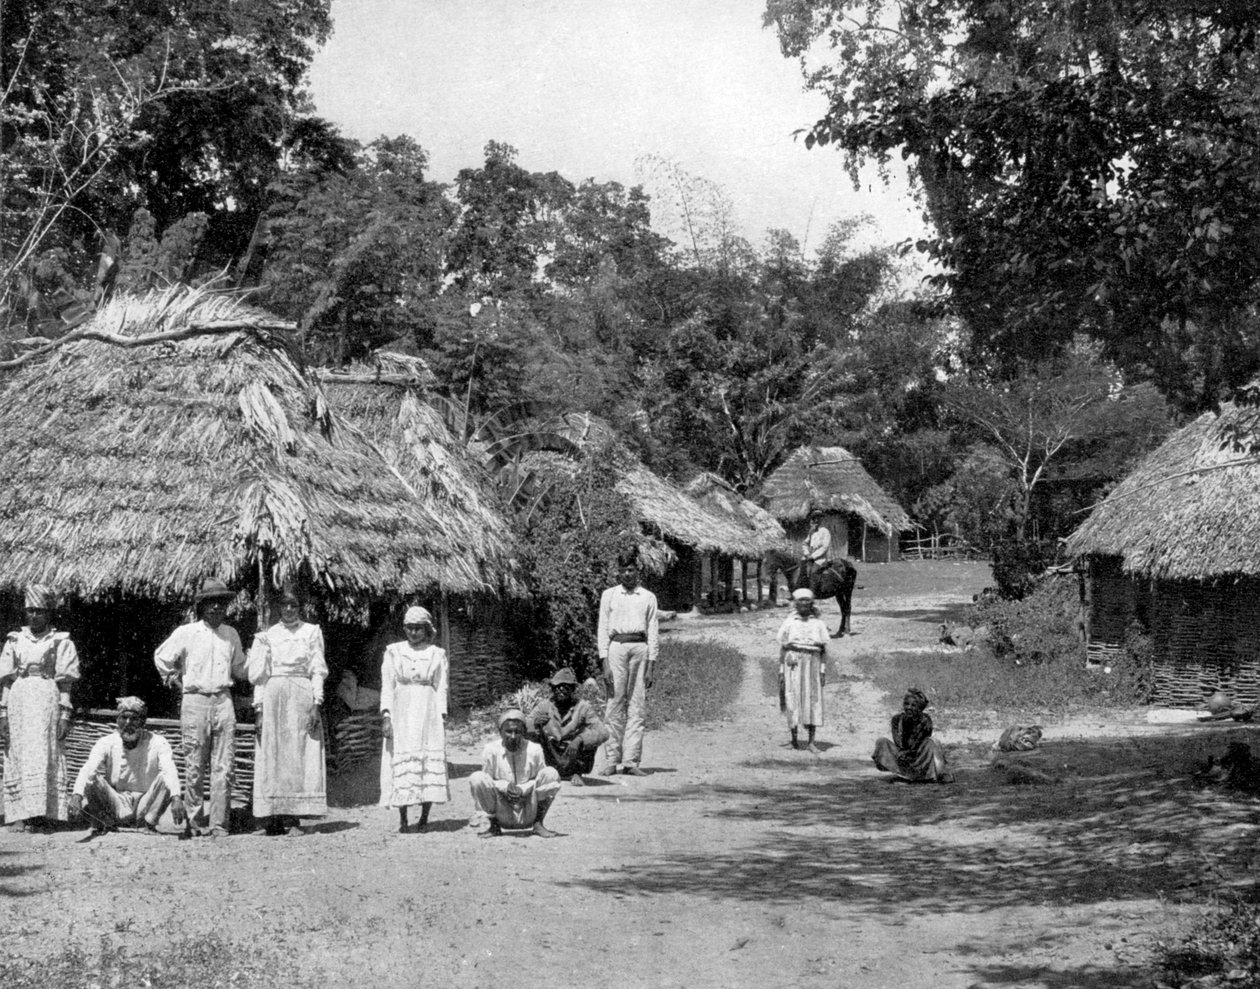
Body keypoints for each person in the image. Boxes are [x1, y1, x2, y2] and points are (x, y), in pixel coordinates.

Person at [153, 578, 248, 838]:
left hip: (223, 699)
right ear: (202, 606)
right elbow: (161, 656)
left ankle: (219, 823)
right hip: (195, 700)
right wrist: (174, 678)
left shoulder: (231, 634)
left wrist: (263, 661)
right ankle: (194, 821)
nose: (216, 608)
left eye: (221, 603)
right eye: (211, 603)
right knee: (194, 763)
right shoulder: (187, 632)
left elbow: (240, 669)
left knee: (224, 765)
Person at [249, 585, 328, 836]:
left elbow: (317, 670)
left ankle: (293, 819)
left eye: (294, 605)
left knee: (297, 754)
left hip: (301, 693)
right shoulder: (267, 635)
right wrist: (259, 709)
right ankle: (272, 819)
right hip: (274, 694)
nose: (290, 609)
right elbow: (260, 676)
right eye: (285, 605)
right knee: (273, 753)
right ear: (277, 608)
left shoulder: (311, 632)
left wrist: (316, 704)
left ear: (300, 607)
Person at [0, 585, 80, 832]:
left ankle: (44, 815)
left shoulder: (60, 642)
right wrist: (3, 712)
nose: (34, 616)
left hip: (46, 698)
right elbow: (7, 680)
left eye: (39, 611)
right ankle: (20, 814)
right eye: (30, 611)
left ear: (48, 614)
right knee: (19, 753)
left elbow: (65, 683)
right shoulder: (15, 640)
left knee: (46, 751)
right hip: (20, 700)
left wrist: (65, 713)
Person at [69, 697, 186, 835]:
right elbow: (89, 768)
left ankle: (149, 823)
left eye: (134, 719)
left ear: (143, 721)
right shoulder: (106, 742)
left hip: (145, 803)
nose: (128, 723)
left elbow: (169, 769)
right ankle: (107, 823)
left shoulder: (158, 742)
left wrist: (176, 797)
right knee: (93, 778)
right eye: (124, 718)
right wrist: (77, 795)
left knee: (166, 777)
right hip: (116, 802)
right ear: (117, 720)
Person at [379, 605, 450, 833]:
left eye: (418, 628)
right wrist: (387, 716)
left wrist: (441, 716)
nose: (413, 633)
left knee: (426, 758)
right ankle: (402, 819)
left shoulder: (436, 654)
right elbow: (387, 687)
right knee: (402, 756)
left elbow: (441, 688)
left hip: (427, 711)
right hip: (402, 710)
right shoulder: (394, 652)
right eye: (409, 628)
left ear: (427, 629)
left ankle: (424, 818)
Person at [594, 551, 659, 777]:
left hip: (640, 649)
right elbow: (602, 628)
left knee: (637, 706)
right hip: (616, 649)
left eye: (631, 570)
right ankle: (611, 759)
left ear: (637, 571)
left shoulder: (648, 597)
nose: (627, 574)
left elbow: (653, 632)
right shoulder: (609, 596)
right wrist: (604, 661)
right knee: (614, 704)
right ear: (618, 572)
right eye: (623, 570)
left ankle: (631, 761)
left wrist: (651, 665)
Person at [469, 709, 560, 837]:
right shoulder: (491, 750)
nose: (513, 736)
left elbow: (541, 780)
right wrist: (505, 787)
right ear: (500, 732)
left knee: (551, 773)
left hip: (529, 810)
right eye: (508, 731)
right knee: (477, 778)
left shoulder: (534, 749)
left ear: (524, 732)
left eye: (517, 732)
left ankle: (538, 824)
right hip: (502, 811)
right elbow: (486, 781)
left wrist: (522, 789)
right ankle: (494, 826)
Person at [527, 668, 609, 785]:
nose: (561, 689)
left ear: (573, 689)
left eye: (566, 686)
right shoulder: (544, 706)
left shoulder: (583, 707)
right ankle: (543, 771)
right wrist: (535, 723)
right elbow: (523, 725)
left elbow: (603, 732)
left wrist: (580, 739)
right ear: (552, 689)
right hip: (551, 754)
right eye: (557, 686)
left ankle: (576, 772)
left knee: (588, 738)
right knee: (534, 735)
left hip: (573, 757)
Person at [777, 587, 829, 752]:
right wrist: (780, 670)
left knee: (812, 698)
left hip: (812, 663)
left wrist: (822, 670)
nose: (804, 604)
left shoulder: (818, 624)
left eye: (807, 601)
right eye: (801, 601)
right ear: (795, 604)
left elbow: (824, 650)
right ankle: (794, 740)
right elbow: (783, 647)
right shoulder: (789, 623)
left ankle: (811, 742)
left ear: (811, 603)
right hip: (792, 663)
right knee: (792, 697)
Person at [872, 687, 953, 783]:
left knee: (931, 742)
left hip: (919, 756)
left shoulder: (925, 719)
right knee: (881, 741)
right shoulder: (897, 719)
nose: (909, 707)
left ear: (920, 708)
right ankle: (904, 774)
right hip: (903, 757)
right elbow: (897, 741)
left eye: (913, 705)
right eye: (906, 704)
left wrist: (908, 752)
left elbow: (919, 740)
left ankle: (931, 775)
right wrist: (902, 752)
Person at [800, 515, 832, 587]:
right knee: (800, 568)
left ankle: (813, 591)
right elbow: (805, 543)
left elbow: (825, 547)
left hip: (821, 558)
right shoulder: (812, 532)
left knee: (813, 571)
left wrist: (813, 556)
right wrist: (807, 553)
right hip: (809, 557)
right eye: (814, 519)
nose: (816, 521)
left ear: (821, 521)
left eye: (818, 519)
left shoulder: (825, 532)